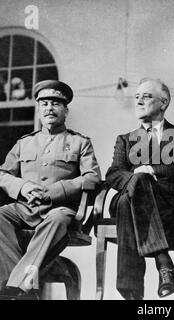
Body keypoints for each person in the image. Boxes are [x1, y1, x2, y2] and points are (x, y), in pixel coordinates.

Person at [106, 78, 174, 300]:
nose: (138, 101)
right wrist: (138, 175)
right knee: (136, 184)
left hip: (172, 205)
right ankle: (164, 262)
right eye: (136, 96)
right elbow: (113, 174)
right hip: (138, 203)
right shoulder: (126, 139)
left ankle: (131, 295)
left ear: (164, 103)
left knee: (124, 203)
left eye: (146, 96)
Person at [0, 80, 101, 299]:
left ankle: (16, 287)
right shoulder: (24, 143)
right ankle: (15, 283)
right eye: (44, 103)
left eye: (55, 103)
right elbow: (3, 174)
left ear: (66, 110)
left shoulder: (79, 143)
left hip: (60, 210)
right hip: (24, 209)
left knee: (57, 218)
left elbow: (93, 177)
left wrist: (54, 191)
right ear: (38, 109)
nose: (49, 108)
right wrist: (23, 187)